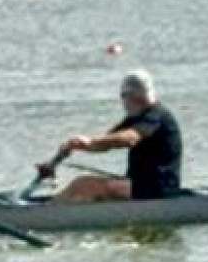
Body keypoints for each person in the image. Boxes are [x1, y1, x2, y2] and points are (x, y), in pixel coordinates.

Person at [44, 70, 183, 203]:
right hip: (142, 185)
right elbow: (106, 143)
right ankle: (52, 210)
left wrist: (90, 141)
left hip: (158, 189)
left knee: (83, 185)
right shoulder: (136, 117)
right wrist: (77, 145)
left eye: (124, 97)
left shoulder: (155, 115)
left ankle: (43, 215)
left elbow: (130, 138)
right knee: (86, 193)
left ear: (131, 96)